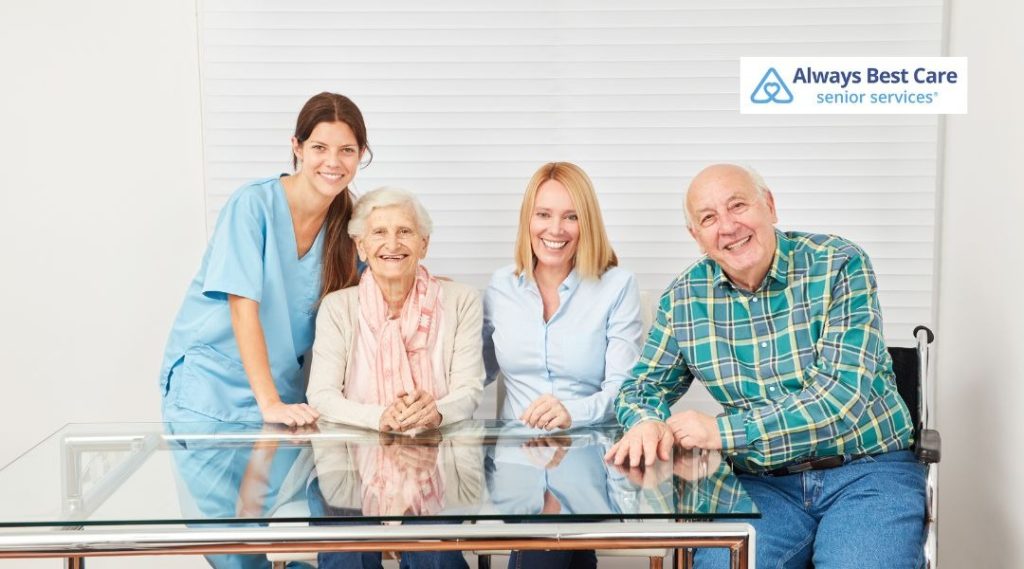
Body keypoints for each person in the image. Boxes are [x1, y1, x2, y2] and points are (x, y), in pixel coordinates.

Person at [606, 163, 925, 568]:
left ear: (769, 206)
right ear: (696, 236)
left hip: (867, 471)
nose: (728, 226)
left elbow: (840, 398)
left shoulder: (840, 264)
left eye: (738, 205)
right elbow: (640, 388)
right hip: (763, 486)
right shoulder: (683, 300)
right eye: (709, 218)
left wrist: (721, 431)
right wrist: (646, 421)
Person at [160, 92, 368, 427]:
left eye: (347, 150)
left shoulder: (351, 226)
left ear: (361, 154)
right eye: (319, 147)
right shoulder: (253, 205)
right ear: (297, 147)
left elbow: (380, 287)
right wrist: (269, 403)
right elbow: (242, 307)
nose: (333, 162)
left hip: (284, 392)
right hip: (212, 387)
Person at [306, 187, 484, 569]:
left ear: (424, 244)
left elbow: (469, 390)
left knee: (433, 557)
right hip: (351, 465)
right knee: (346, 558)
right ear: (361, 246)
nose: (392, 243)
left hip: (440, 464)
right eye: (379, 232)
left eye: (404, 231)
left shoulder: (461, 300)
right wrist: (379, 417)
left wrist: (435, 411)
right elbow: (321, 395)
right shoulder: (338, 307)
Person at [483, 162, 643, 569]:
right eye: (544, 214)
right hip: (516, 462)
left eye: (571, 216)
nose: (555, 229)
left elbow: (626, 391)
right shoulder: (500, 287)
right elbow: (472, 373)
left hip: (591, 457)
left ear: (587, 223)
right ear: (528, 219)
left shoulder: (617, 286)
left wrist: (573, 411)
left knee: (551, 548)